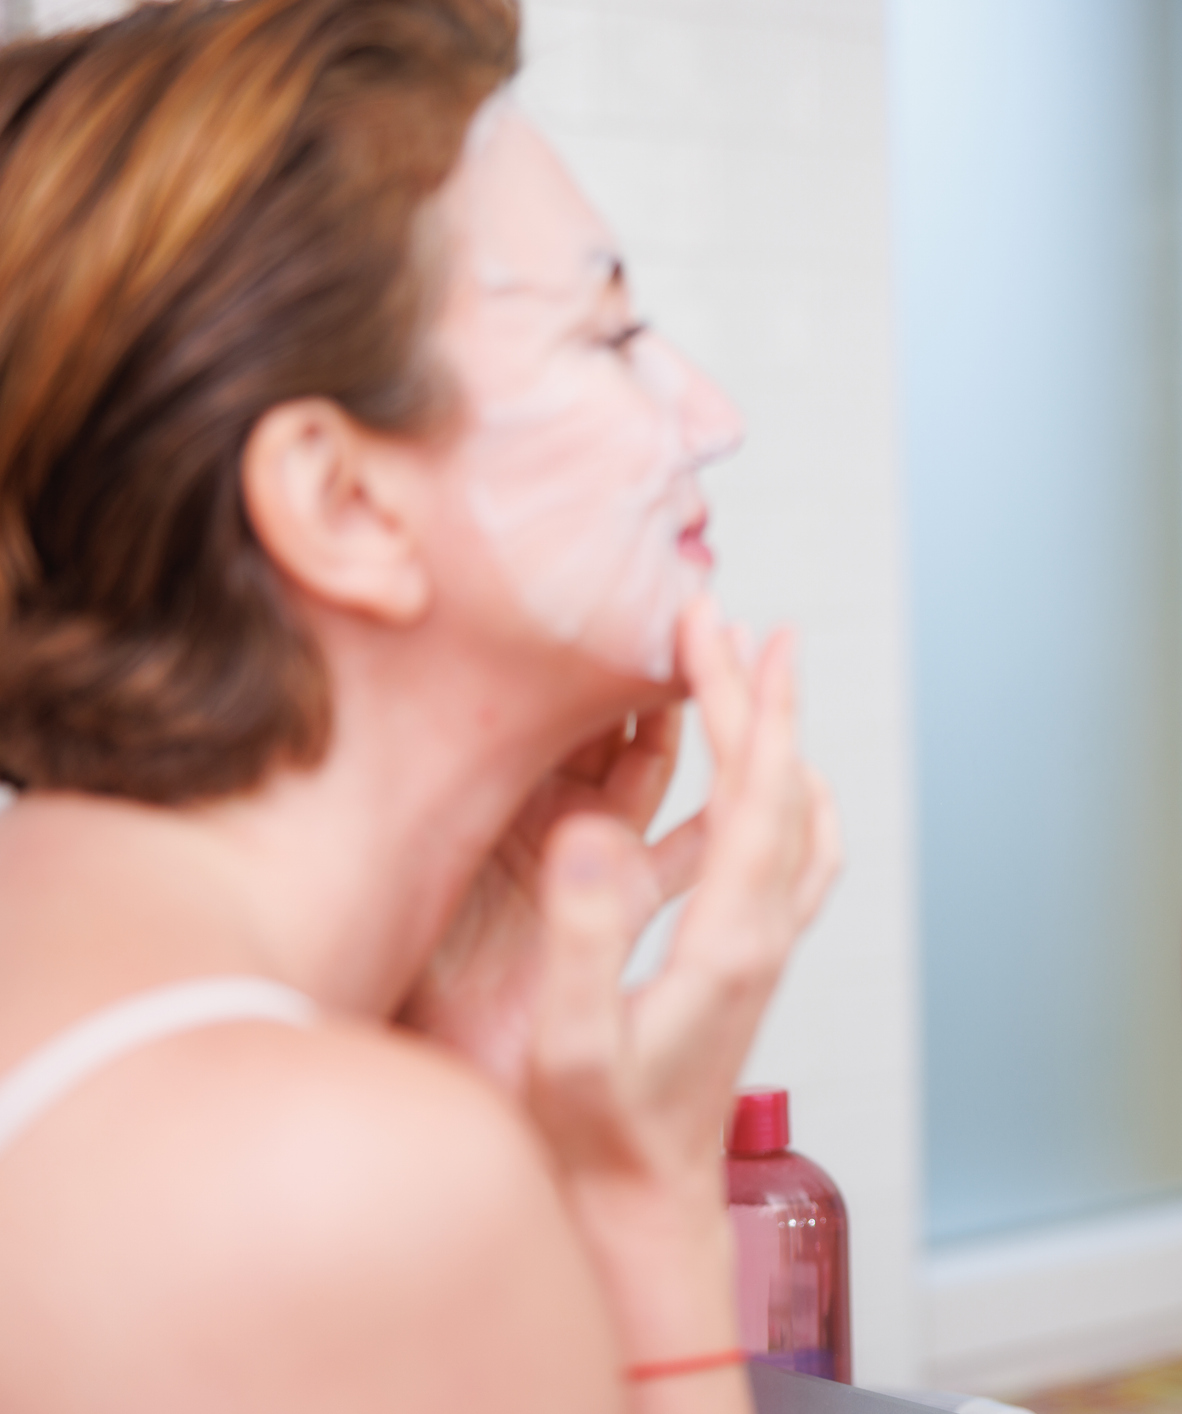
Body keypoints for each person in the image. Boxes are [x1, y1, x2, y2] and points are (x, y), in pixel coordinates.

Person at [0, 2, 837, 1410]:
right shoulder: (343, 1184)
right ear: (343, 502)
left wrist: (486, 1086)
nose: (711, 413)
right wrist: (638, 1198)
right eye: (613, 331)